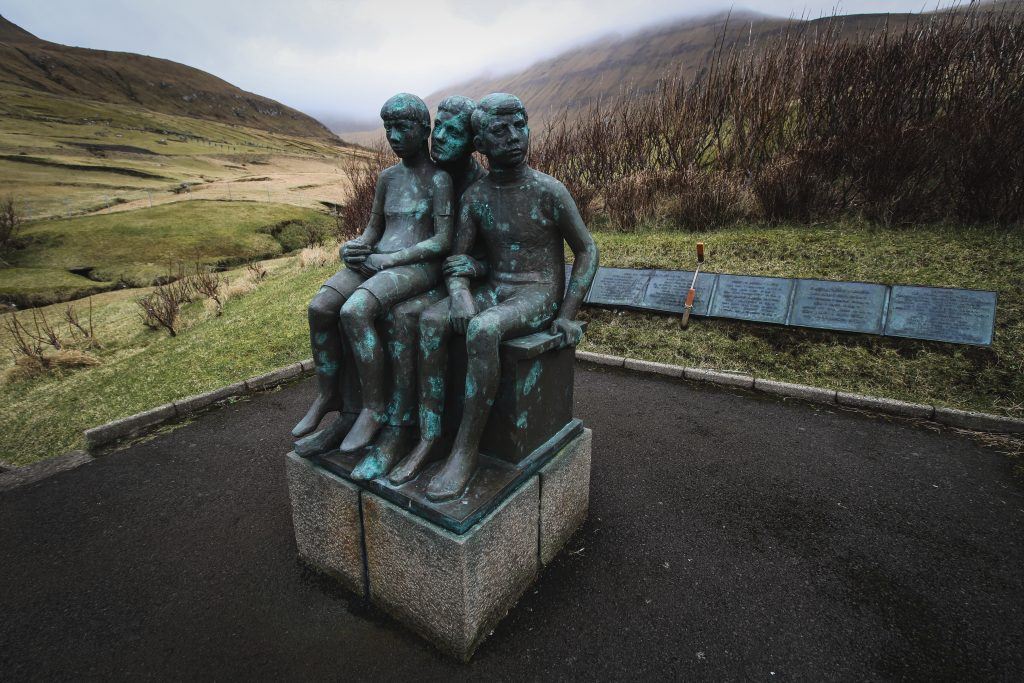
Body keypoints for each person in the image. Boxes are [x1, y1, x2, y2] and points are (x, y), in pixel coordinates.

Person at [394, 93, 599, 501]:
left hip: (537, 290)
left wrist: (566, 313)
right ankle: (430, 436)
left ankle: (465, 451)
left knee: (484, 331)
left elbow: (588, 250)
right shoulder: (476, 197)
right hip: (495, 287)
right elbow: (457, 260)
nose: (514, 137)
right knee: (431, 321)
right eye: (499, 131)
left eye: (519, 125)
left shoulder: (549, 190)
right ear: (481, 144)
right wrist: (459, 294)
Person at [291, 93, 454, 463]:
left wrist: (391, 259)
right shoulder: (387, 178)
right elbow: (372, 229)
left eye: (403, 127)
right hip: (378, 259)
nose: (394, 136)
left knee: (355, 311)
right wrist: (354, 247)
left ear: (424, 129)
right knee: (321, 307)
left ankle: (374, 407)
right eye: (388, 128)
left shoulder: (440, 180)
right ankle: (329, 394)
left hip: (416, 266)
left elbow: (442, 241)